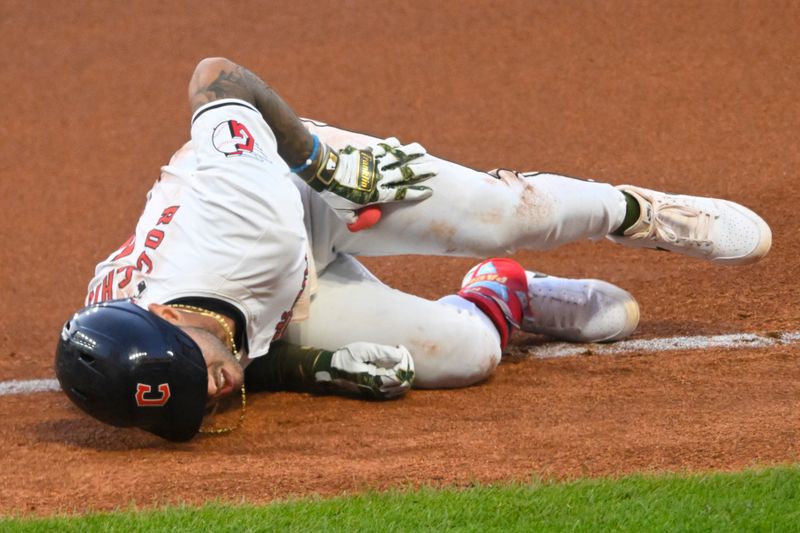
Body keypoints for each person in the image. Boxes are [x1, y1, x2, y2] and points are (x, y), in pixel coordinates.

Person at [55, 57, 771, 442]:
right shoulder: (141, 349)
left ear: (169, 322)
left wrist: (320, 165)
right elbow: (229, 356)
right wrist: (313, 366)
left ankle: (642, 212)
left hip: (305, 192)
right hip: (285, 294)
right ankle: (509, 288)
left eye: (198, 377)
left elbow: (218, 77)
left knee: (499, 213)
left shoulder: (234, 219)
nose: (214, 395)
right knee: (467, 358)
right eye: (194, 404)